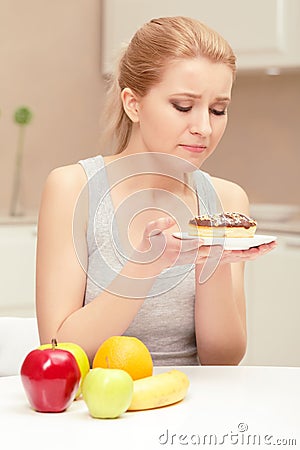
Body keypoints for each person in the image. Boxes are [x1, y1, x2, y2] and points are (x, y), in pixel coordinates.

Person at [36, 16, 276, 366]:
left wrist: (213, 262)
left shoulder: (226, 200)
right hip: (96, 415)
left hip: (196, 408)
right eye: (182, 106)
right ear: (133, 104)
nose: (204, 127)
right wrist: (148, 264)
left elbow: (222, 361)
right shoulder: (73, 189)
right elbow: (58, 351)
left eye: (218, 109)